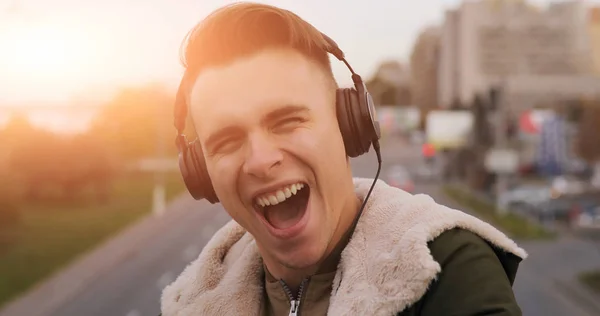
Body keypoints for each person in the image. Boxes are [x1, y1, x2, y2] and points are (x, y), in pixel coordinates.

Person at [161, 3, 527, 315]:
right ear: (201, 173)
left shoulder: (448, 269)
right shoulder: (194, 300)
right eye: (226, 141)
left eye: (287, 121)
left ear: (349, 125)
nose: (260, 160)